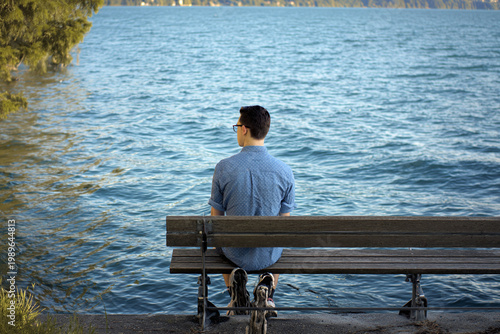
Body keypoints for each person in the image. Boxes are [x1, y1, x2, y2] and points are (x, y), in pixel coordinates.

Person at [208, 105, 297, 315]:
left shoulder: (223, 167)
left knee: (217, 240)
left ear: (245, 129)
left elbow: (216, 222)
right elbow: (284, 222)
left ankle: (234, 293)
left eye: (237, 126)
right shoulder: (285, 171)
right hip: (269, 255)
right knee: (279, 239)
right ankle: (268, 292)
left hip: (234, 253)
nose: (237, 130)